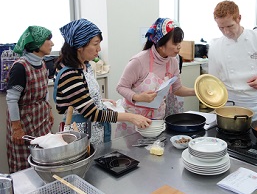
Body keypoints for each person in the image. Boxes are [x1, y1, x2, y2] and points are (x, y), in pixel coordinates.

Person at [53, 18, 151, 146]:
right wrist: (131, 117)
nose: (99, 49)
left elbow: (79, 97)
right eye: (95, 44)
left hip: (95, 130)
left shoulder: (84, 65)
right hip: (81, 133)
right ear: (79, 46)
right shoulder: (69, 74)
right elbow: (93, 114)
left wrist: (100, 100)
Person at [208, 0, 257, 121]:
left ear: (239, 18)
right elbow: (214, 81)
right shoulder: (215, 47)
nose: (226, 32)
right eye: (221, 28)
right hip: (229, 106)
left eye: (230, 26)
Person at [116, 18, 195, 137]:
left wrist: (198, 92)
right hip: (134, 122)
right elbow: (121, 87)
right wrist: (138, 97)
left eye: (180, 42)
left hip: (157, 121)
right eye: (175, 43)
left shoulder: (173, 61)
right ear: (161, 43)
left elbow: (177, 89)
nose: (179, 47)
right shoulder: (139, 61)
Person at [6, 26, 54, 173]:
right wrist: (17, 128)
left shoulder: (43, 63)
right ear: (36, 44)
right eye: (48, 40)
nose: (52, 44)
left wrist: (49, 110)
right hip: (24, 123)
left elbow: (44, 91)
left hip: (41, 120)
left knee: (43, 160)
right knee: (25, 165)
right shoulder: (20, 67)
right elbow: (12, 100)